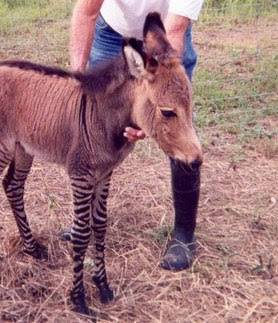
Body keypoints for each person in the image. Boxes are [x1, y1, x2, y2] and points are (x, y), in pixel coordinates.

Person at [59, 0, 204, 271]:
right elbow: (86, 11)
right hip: (111, 32)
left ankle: (184, 234)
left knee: (177, 125)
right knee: (94, 126)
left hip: (164, 40)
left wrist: (152, 117)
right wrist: (77, 81)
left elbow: (174, 30)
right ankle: (86, 219)